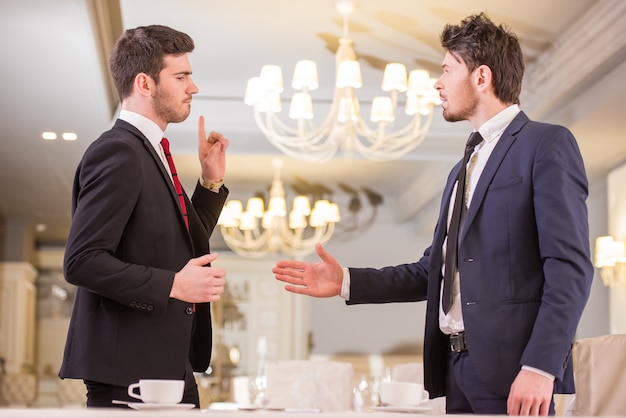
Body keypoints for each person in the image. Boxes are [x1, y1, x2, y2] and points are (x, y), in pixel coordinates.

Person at [273, 13, 593, 416]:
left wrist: (540, 365)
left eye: (446, 70)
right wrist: (346, 282)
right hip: (456, 369)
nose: (438, 83)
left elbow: (570, 268)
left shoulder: (546, 145)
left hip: (517, 373)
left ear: (481, 77)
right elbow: (432, 272)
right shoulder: (461, 169)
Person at [59, 25, 230, 408]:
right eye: (181, 76)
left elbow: (184, 241)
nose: (193, 87)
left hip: (166, 365)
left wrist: (210, 183)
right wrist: (174, 285)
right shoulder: (119, 152)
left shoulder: (149, 152)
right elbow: (81, 262)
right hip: (129, 375)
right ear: (145, 83)